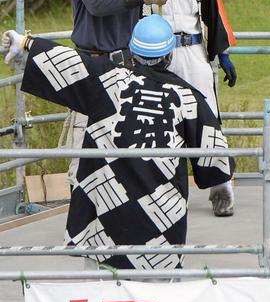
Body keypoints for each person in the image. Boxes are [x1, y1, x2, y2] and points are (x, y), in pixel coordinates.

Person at [2, 16, 234, 272]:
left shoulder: (105, 80)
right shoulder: (188, 98)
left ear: (132, 51)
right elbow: (216, 159)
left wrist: (24, 43)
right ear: (170, 55)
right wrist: (222, 184)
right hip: (159, 232)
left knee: (102, 300)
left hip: (102, 225)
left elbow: (67, 61)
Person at [65, 0, 178, 185]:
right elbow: (97, 3)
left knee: (129, 150)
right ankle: (79, 217)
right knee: (84, 154)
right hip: (89, 66)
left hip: (128, 66)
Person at [143, 0, 238, 217]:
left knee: (207, 118)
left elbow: (214, 12)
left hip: (194, 53)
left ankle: (220, 187)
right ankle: (164, 190)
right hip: (157, 58)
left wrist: (222, 54)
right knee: (160, 121)